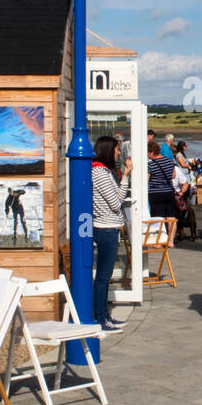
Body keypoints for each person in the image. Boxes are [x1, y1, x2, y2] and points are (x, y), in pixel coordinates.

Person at [91, 136, 129, 332]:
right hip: (105, 228)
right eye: (117, 150)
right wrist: (124, 179)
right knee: (103, 277)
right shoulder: (99, 172)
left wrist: (123, 179)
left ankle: (104, 315)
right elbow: (116, 203)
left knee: (104, 277)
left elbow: (118, 199)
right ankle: (100, 317)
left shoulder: (104, 171)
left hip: (109, 227)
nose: (119, 153)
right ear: (108, 150)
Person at [145, 140, 178, 246]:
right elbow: (173, 176)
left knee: (158, 218)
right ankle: (171, 241)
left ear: (151, 152)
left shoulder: (150, 164)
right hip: (169, 192)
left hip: (155, 193)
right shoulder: (170, 161)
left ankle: (158, 242)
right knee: (171, 217)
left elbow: (146, 179)